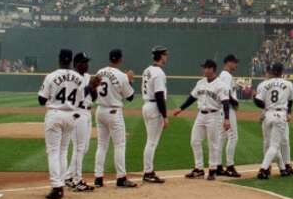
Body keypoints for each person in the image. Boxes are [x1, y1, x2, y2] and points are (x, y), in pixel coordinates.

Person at [39, 48, 96, 199]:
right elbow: (82, 99)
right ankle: (61, 184)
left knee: (53, 152)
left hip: (55, 115)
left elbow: (41, 100)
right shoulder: (78, 77)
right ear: (71, 61)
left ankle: (56, 187)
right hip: (71, 116)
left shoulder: (51, 76)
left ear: (59, 59)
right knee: (63, 151)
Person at [173, 58, 230, 180]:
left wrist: (227, 119)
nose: (203, 70)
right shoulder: (200, 82)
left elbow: (225, 102)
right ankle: (198, 169)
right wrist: (181, 108)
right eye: (204, 67)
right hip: (201, 115)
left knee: (213, 143)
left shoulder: (221, 85)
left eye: (206, 67)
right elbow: (192, 97)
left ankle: (212, 169)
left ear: (212, 69)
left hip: (214, 115)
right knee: (195, 141)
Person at [93, 48, 137, 188]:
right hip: (113, 112)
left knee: (101, 145)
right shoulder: (121, 75)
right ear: (120, 59)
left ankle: (98, 178)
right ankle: (121, 177)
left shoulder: (99, 72)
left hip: (100, 110)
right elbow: (130, 97)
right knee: (119, 145)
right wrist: (129, 80)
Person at [253, 62, 293, 180]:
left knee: (270, 144)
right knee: (274, 145)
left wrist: (264, 107)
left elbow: (257, 101)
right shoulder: (288, 84)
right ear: (282, 72)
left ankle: (282, 169)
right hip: (280, 115)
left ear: (272, 71)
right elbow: (291, 100)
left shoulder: (265, 84)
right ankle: (263, 169)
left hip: (267, 115)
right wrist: (289, 113)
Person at [63, 52, 96, 192]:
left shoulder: (88, 77)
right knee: (79, 148)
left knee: (85, 148)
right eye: (84, 62)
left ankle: (69, 177)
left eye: (87, 62)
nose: (87, 64)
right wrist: (90, 86)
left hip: (87, 113)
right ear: (77, 64)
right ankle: (77, 180)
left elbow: (93, 97)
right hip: (77, 113)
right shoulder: (71, 78)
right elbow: (78, 96)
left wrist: (94, 86)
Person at [140, 46, 170, 183]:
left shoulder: (147, 70)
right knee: (152, 142)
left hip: (146, 105)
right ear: (161, 56)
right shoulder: (159, 73)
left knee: (150, 141)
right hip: (154, 107)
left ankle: (148, 170)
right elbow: (159, 95)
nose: (166, 57)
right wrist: (165, 116)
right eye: (165, 55)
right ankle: (148, 172)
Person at [218, 54, 242, 177]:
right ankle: (230, 167)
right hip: (227, 110)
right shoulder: (226, 76)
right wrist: (235, 102)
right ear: (229, 62)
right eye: (235, 62)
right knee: (233, 137)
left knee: (222, 138)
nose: (236, 65)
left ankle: (217, 166)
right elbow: (226, 93)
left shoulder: (222, 75)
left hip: (221, 110)